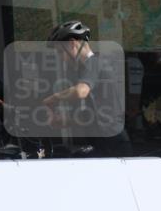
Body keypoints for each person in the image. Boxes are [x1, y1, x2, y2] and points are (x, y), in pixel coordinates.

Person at [42, 20, 131, 158]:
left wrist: (52, 99)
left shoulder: (94, 63)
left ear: (72, 43)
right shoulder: (86, 69)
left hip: (113, 145)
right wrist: (64, 121)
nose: (61, 58)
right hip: (103, 143)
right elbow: (92, 117)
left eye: (60, 52)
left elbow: (80, 91)